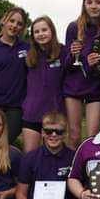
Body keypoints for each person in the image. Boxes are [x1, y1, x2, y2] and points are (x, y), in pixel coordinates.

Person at [62, 0, 100, 149]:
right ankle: (71, 172)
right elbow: (67, 64)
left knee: (92, 138)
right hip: (74, 86)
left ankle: (88, 172)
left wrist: (94, 64)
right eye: (89, 2)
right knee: (74, 135)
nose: (94, 6)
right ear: (84, 4)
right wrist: (72, 54)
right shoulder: (74, 27)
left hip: (96, 87)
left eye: (98, 2)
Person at [0, 7, 30, 145]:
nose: (14, 26)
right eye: (12, 21)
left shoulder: (27, 48)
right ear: (4, 21)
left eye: (19, 24)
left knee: (3, 144)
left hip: (17, 108)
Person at [21, 15, 65, 154]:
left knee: (55, 155)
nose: (41, 34)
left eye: (44, 30)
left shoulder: (63, 52)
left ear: (52, 30)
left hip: (55, 113)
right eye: (37, 32)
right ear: (33, 36)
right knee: (30, 155)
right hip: (32, 113)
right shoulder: (29, 56)